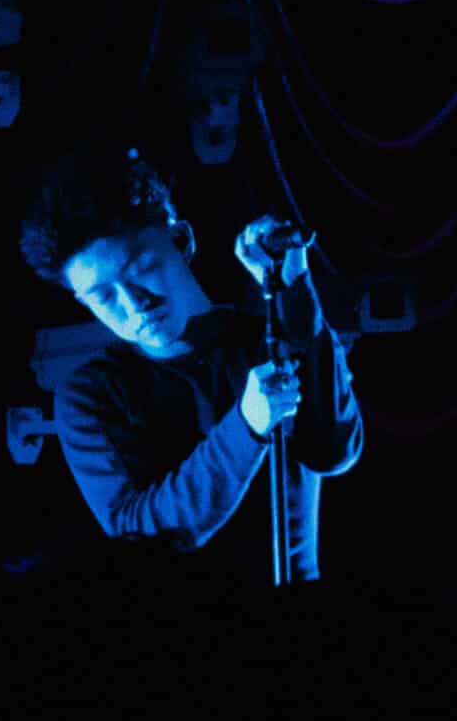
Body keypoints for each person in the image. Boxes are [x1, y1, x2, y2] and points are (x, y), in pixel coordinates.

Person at [18, 143, 363, 585]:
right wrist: (246, 425)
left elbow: (334, 449)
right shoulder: (89, 394)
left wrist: (294, 290)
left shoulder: (268, 338)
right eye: (104, 296)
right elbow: (136, 531)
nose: (134, 305)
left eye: (142, 268)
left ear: (181, 241)